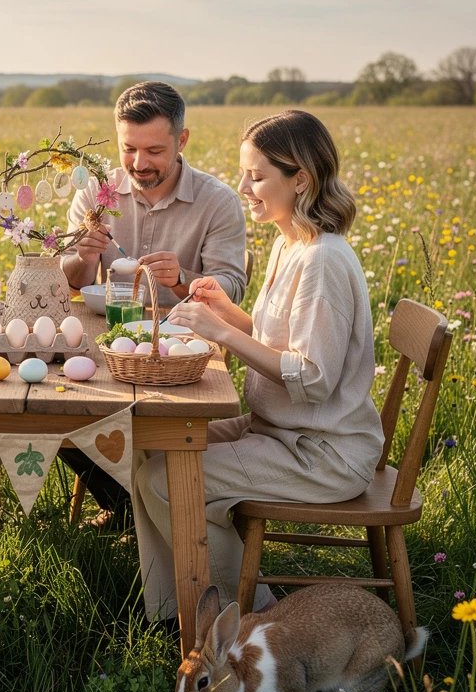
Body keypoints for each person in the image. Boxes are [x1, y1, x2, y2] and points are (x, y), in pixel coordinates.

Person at [133, 109, 384, 620]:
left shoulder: (323, 261)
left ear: (301, 180)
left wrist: (220, 333)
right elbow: (282, 341)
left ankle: (251, 617)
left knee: (164, 481)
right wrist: (230, 315)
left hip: (322, 453)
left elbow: (312, 377)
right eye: (244, 172)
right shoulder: (291, 244)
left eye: (257, 175)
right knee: (149, 451)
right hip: (278, 430)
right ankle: (177, 607)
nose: (244, 186)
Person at [59, 81, 248, 523]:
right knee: (60, 408)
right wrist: (83, 256)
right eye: (129, 149)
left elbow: (233, 289)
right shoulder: (98, 194)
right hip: (110, 343)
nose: (139, 164)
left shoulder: (217, 201)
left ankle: (144, 505)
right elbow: (70, 282)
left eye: (155, 151)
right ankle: (129, 506)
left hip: (182, 355)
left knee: (152, 425)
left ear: (182, 141)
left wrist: (183, 280)